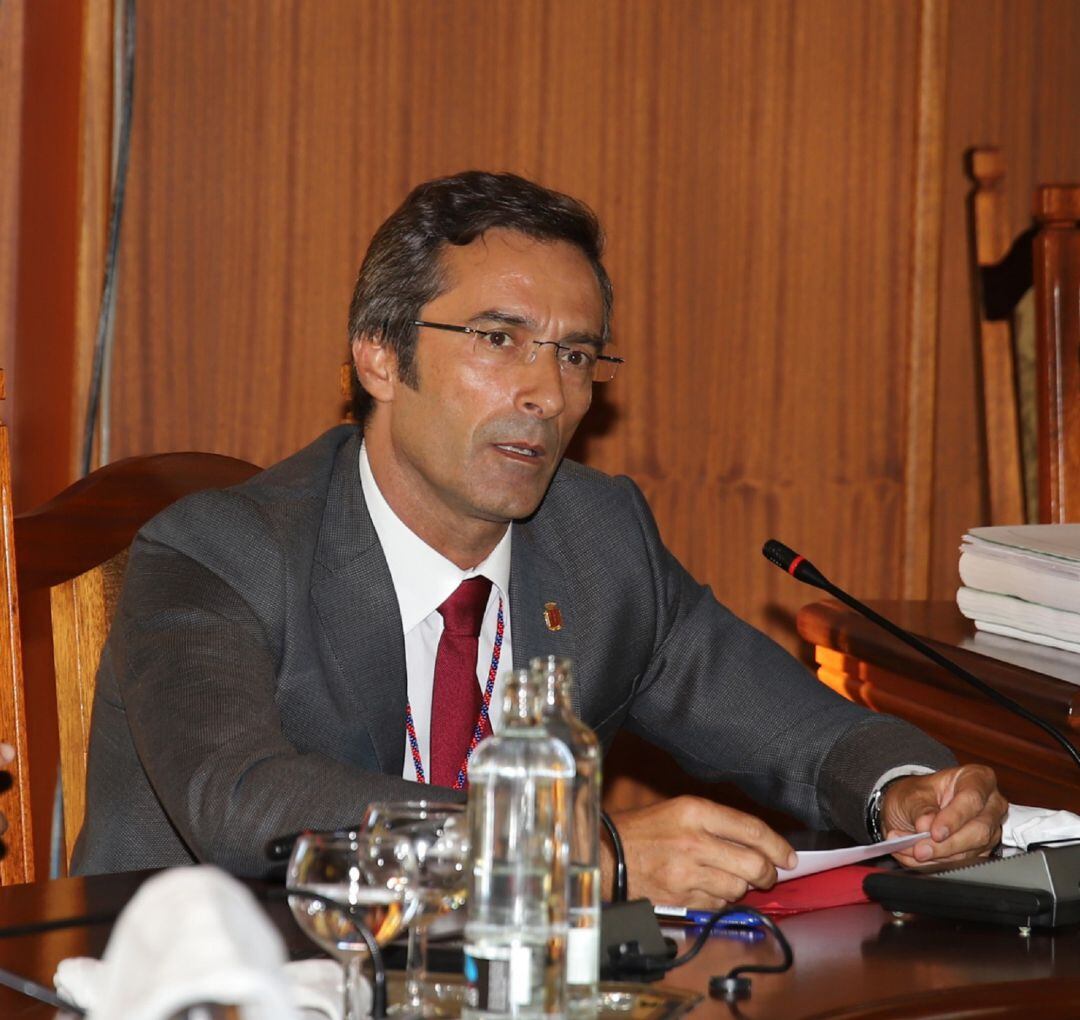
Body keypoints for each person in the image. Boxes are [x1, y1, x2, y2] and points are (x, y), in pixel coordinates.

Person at [73, 171, 1006, 906]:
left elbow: (799, 732)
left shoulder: (600, 544)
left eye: (573, 354)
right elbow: (245, 805)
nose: (548, 394)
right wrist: (574, 850)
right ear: (380, 356)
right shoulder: (219, 551)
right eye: (498, 339)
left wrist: (907, 790)